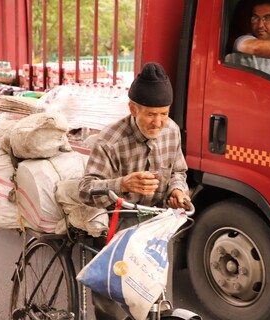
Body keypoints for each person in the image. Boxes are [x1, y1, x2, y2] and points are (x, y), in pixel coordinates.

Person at [78, 61, 190, 320]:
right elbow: (85, 189)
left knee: (158, 299)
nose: (158, 122)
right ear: (132, 109)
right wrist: (123, 184)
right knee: (113, 304)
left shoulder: (172, 131)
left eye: (164, 113)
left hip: (158, 223)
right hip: (120, 223)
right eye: (151, 114)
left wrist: (176, 190)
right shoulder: (110, 141)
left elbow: (179, 172)